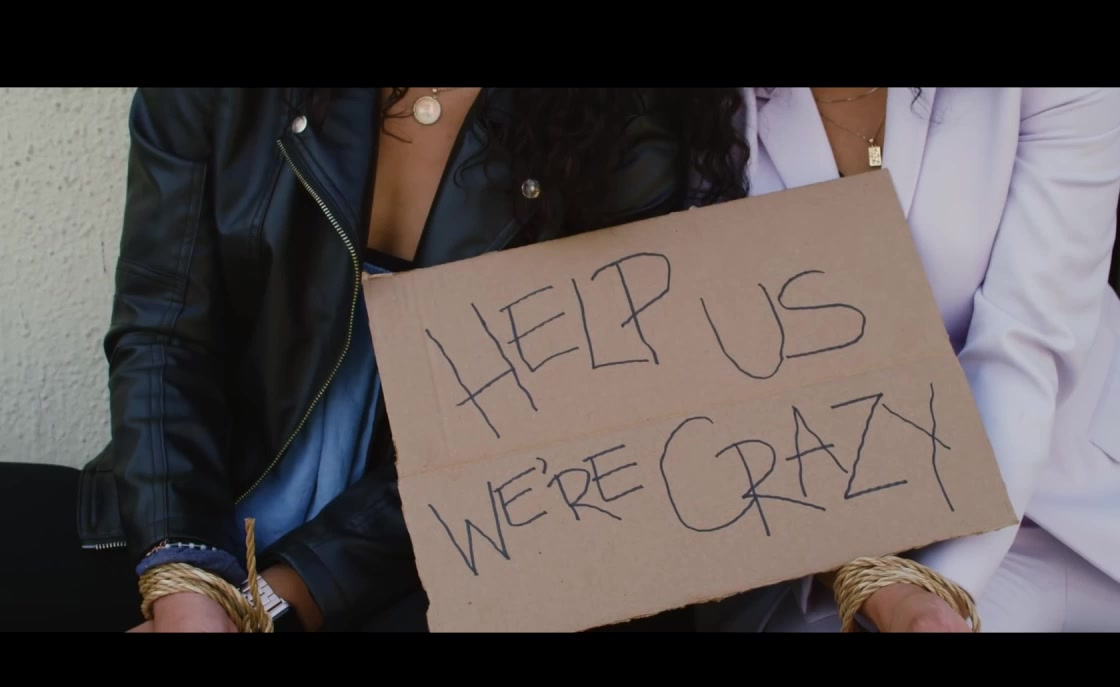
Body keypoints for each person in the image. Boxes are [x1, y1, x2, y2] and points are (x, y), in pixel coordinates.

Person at [0, 87, 751, 632]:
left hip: (432, 557)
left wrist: (267, 606)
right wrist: (184, 580)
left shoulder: (623, 116)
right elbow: (164, 335)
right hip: (190, 515)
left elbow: (527, 428)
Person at [693, 87, 1120, 632]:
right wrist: (889, 590)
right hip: (850, 544)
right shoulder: (684, 113)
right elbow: (723, 386)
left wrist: (939, 589)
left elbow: (1028, 344)